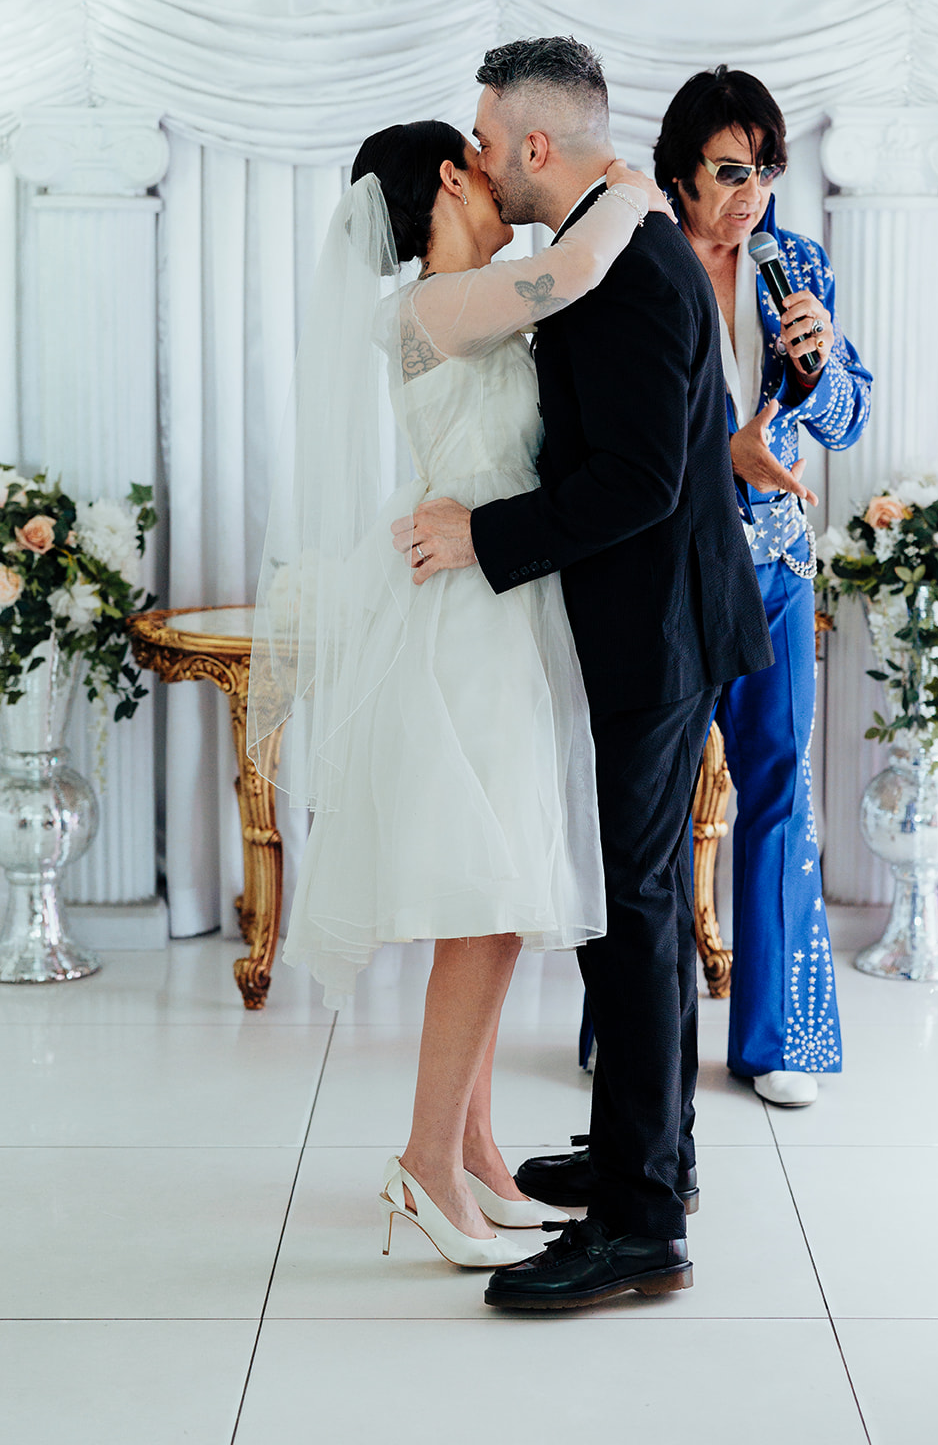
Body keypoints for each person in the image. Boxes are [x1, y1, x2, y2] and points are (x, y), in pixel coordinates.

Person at [249, 119, 672, 1270]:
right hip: (465, 627)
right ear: (447, 176)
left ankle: (477, 1150)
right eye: (482, 162)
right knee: (485, 900)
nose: (501, 177)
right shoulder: (433, 307)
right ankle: (425, 1163)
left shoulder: (483, 292)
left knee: (503, 886)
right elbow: (577, 269)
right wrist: (630, 192)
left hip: (504, 602)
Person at [394, 37, 772, 1311]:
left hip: (651, 630)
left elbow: (635, 482)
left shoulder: (619, 268)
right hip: (659, 618)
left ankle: (640, 1222)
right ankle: (643, 1153)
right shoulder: (618, 241)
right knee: (647, 900)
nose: (481, 163)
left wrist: (478, 536)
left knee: (634, 916)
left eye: (489, 141)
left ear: (534, 147)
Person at [653, 66, 873, 1106]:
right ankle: (634, 1028)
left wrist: (822, 369)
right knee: (643, 809)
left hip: (776, 569)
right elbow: (596, 436)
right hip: (657, 570)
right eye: (731, 171)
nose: (752, 193)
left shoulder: (796, 264)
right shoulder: (633, 265)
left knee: (780, 793)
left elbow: (842, 421)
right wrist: (715, 461)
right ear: (680, 173)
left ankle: (776, 1037)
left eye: (767, 169)